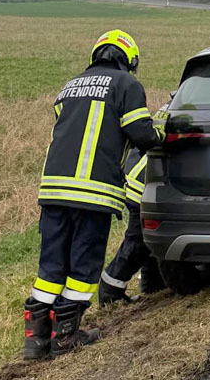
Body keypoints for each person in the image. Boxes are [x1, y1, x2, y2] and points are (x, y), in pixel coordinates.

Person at [24, 30, 164, 359]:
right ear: (129, 59)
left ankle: (35, 339)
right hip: (93, 194)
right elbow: (141, 133)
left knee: (51, 267)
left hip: (54, 191)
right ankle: (65, 337)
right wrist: (166, 136)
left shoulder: (69, 87)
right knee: (84, 267)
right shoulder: (127, 86)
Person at [97, 147, 165, 305]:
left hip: (144, 180)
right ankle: (110, 291)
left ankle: (153, 287)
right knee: (138, 243)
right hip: (142, 185)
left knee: (151, 239)